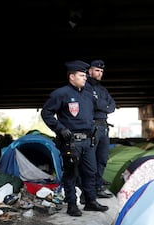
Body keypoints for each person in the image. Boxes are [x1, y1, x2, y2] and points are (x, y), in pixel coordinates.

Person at [41, 60, 108, 216]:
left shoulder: (88, 95)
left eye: (85, 75)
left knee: (91, 171)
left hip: (88, 141)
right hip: (71, 141)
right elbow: (46, 113)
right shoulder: (60, 94)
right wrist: (60, 129)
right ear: (72, 77)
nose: (85, 78)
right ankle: (72, 205)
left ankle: (90, 201)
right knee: (71, 173)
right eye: (81, 75)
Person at [85, 59, 116, 199]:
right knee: (90, 161)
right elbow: (93, 105)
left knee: (102, 159)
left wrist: (100, 104)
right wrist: (103, 105)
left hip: (104, 127)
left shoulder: (102, 90)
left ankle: (97, 188)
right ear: (90, 71)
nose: (99, 73)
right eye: (97, 70)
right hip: (92, 127)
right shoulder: (84, 87)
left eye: (101, 71)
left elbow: (112, 106)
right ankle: (87, 190)